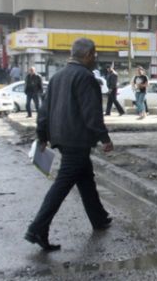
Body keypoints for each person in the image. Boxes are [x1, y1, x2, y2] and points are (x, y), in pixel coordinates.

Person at [24, 38, 114, 251]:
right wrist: (104, 137)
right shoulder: (86, 77)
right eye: (95, 54)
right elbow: (91, 112)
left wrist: (42, 135)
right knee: (62, 184)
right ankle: (37, 228)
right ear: (88, 54)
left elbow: (44, 111)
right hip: (77, 139)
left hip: (62, 138)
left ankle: (99, 218)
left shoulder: (58, 77)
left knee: (85, 178)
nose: (95, 58)